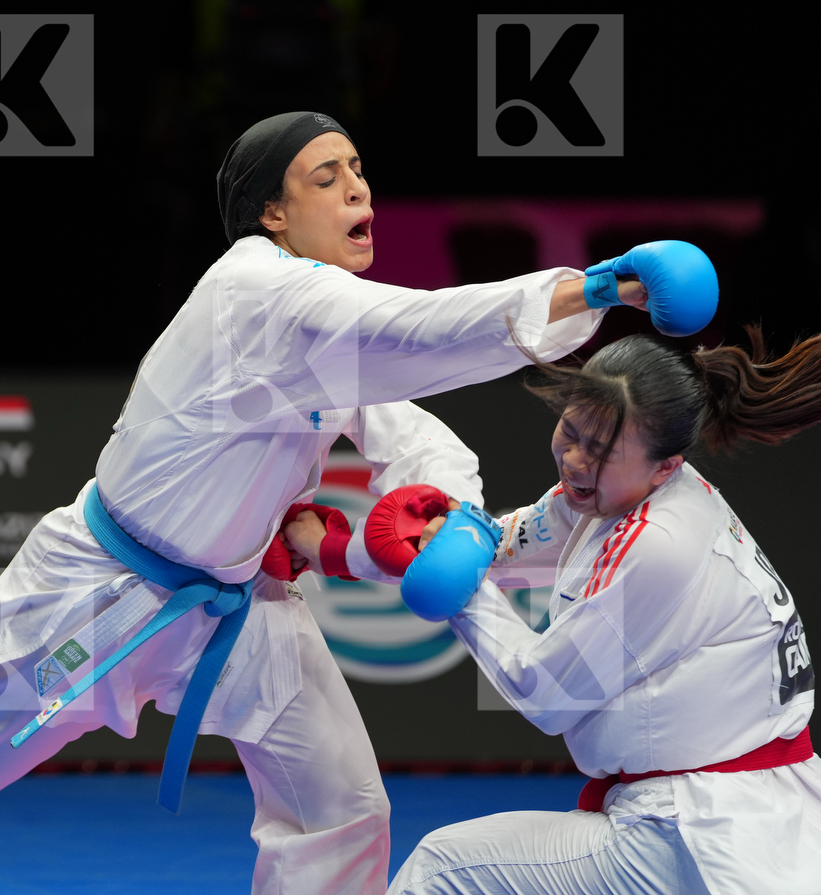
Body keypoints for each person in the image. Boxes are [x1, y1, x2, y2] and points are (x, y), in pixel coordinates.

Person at [0, 111, 707, 895]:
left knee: (341, 806)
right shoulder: (255, 288)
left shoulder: (325, 328)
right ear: (271, 214)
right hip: (106, 594)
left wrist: (451, 511)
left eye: (362, 174)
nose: (359, 193)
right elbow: (419, 332)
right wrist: (597, 286)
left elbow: (407, 428)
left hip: (237, 608)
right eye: (328, 178)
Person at [289, 332, 819, 894]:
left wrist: (454, 586)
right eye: (571, 431)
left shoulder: (659, 543)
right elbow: (493, 549)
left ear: (665, 467)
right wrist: (340, 552)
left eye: (600, 451)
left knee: (443, 868)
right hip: (725, 811)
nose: (574, 459)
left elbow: (544, 692)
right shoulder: (612, 493)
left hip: (703, 829)